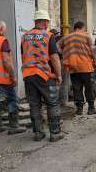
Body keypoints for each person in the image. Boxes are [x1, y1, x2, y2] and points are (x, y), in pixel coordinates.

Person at [21, 10, 63, 142]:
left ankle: (38, 133)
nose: (48, 24)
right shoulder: (48, 36)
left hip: (28, 74)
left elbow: (23, 56)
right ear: (45, 22)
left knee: (34, 104)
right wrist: (59, 75)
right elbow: (55, 58)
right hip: (43, 74)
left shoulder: (25, 36)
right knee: (52, 103)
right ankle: (55, 133)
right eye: (47, 22)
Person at [57, 21, 96, 115]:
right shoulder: (86, 36)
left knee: (77, 88)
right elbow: (93, 50)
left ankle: (79, 109)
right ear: (82, 27)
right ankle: (91, 108)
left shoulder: (66, 37)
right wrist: (95, 62)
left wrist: (63, 53)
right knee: (89, 87)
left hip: (72, 67)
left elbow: (57, 46)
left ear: (75, 28)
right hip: (86, 66)